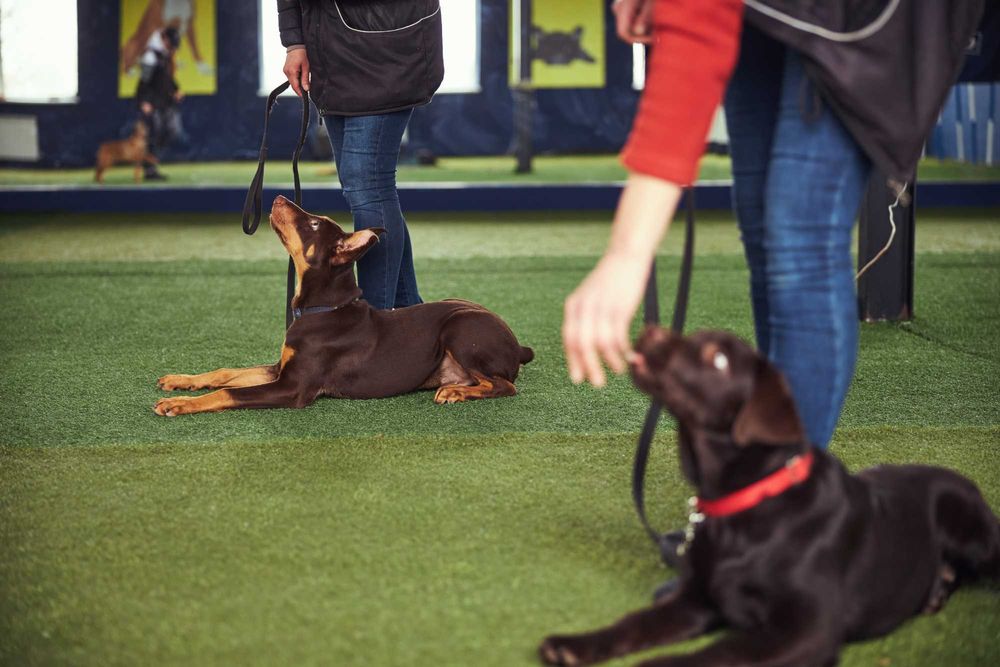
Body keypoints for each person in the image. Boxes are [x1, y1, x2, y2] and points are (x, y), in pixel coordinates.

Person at [564, 0, 981, 452]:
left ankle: (788, 498)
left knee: (801, 240)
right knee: (762, 228)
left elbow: (695, 37)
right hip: (765, 13)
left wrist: (629, 253)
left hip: (854, 17)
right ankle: (762, 470)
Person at [277, 0, 445, 310]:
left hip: (390, 54)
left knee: (368, 186)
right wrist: (294, 43)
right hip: (333, 59)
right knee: (368, 187)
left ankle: (377, 316)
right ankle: (409, 316)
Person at [136, 27, 184, 181]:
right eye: (171, 43)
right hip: (153, 103)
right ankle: (149, 169)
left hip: (166, 102)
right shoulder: (150, 56)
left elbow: (166, 79)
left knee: (172, 131)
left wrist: (176, 90)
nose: (172, 47)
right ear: (164, 39)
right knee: (153, 134)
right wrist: (144, 101)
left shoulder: (165, 56)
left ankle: (151, 160)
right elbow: (143, 82)